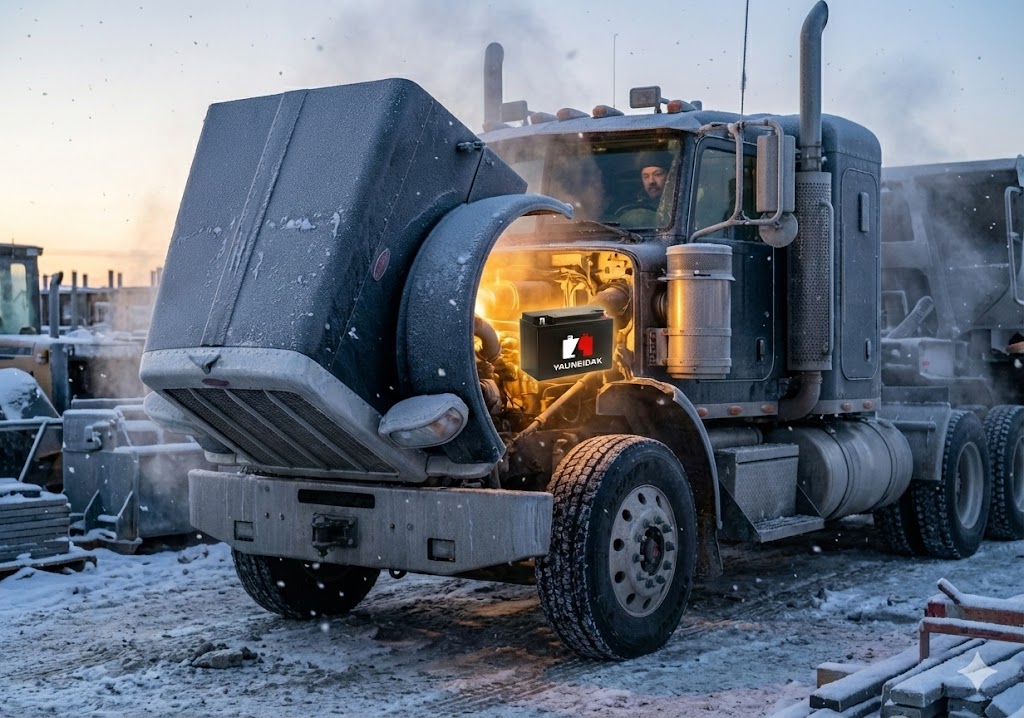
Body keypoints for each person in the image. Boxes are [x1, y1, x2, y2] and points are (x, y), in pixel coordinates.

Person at [614, 151, 672, 227]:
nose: (651, 181)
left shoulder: (681, 205)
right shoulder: (633, 206)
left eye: (657, 174)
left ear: (669, 176)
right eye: (646, 176)